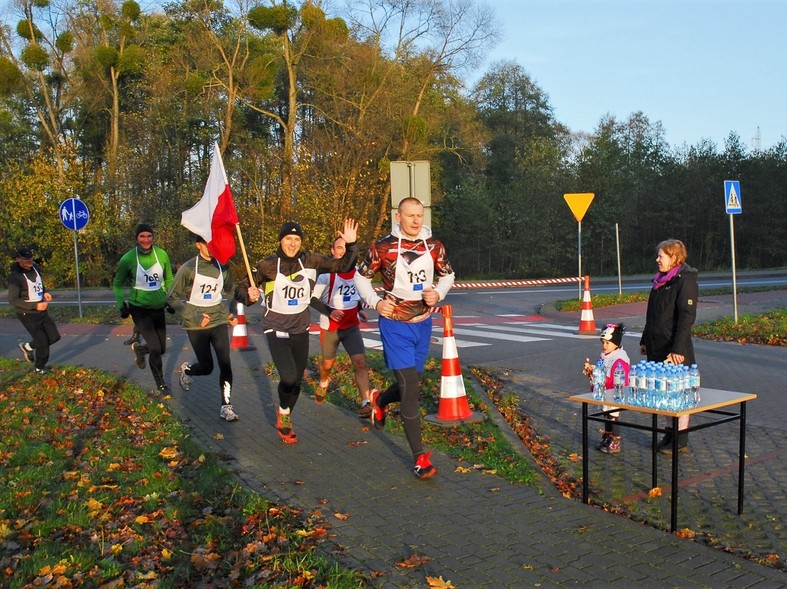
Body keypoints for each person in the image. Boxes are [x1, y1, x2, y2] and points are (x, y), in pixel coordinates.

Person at [354, 197, 455, 479]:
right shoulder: (383, 247)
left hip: (422, 324)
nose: (415, 221)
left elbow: (448, 274)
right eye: (410, 216)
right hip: (395, 324)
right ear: (399, 216)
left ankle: (380, 401)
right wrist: (375, 301)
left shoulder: (434, 245)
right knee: (411, 388)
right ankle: (419, 457)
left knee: (410, 383)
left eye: (419, 216)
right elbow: (360, 277)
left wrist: (439, 292)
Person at [235, 219, 359, 444]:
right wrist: (248, 296)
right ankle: (283, 414)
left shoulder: (311, 260)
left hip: (300, 328)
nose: (292, 244)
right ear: (280, 240)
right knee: (289, 376)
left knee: (297, 382)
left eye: (297, 239)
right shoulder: (267, 265)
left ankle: (285, 415)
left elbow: (343, 266)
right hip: (276, 327)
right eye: (288, 239)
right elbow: (241, 288)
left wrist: (351, 246)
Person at [167, 233, 240, 421]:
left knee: (225, 363)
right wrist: (194, 316)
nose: (213, 246)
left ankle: (226, 406)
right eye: (208, 243)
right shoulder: (188, 268)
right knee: (207, 367)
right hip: (196, 325)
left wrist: (231, 313)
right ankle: (188, 370)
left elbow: (232, 291)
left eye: (215, 242)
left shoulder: (223, 266)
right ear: (198, 245)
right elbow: (171, 297)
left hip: (218, 322)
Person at [640, 239, 698, 454]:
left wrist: (678, 349)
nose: (657, 259)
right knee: (662, 393)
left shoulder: (685, 281)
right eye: (658, 256)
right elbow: (652, 314)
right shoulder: (659, 281)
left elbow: (686, 317)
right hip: (656, 345)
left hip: (675, 349)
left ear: (674, 258)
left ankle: (680, 438)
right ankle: (669, 432)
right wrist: (645, 340)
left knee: (678, 393)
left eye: (661, 256)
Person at [311, 236, 377, 415]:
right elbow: (312, 298)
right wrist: (329, 311)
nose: (342, 251)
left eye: (345, 248)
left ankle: (365, 402)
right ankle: (324, 382)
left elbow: (353, 295)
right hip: (331, 326)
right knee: (327, 364)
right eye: (339, 248)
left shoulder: (357, 272)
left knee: (360, 362)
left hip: (351, 326)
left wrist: (360, 308)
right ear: (332, 252)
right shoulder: (326, 274)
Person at [113, 223, 174, 394]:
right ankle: (160, 383)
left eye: (149, 236)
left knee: (161, 348)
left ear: (153, 238)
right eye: (142, 236)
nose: (146, 240)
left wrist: (170, 299)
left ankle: (140, 349)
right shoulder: (128, 258)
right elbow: (117, 284)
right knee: (155, 348)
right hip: (139, 309)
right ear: (137, 238)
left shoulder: (161, 254)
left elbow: (169, 278)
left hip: (158, 308)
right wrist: (121, 305)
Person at [7, 246, 61, 374]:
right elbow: (13, 300)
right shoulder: (15, 277)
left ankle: (27, 347)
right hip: (27, 313)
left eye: (31, 259)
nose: (29, 262)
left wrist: (45, 293)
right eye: (26, 260)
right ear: (18, 260)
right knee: (42, 343)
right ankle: (39, 368)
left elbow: (39, 284)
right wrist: (35, 306)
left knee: (54, 337)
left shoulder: (35, 268)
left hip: (42, 310)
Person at [587, 323, 630, 454]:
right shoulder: (604, 356)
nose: (604, 346)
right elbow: (599, 368)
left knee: (613, 415)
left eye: (608, 343)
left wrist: (602, 379)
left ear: (616, 344)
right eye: (603, 343)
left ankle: (615, 440)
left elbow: (618, 377)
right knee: (606, 415)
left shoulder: (620, 358)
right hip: (604, 391)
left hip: (615, 392)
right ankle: (607, 435)